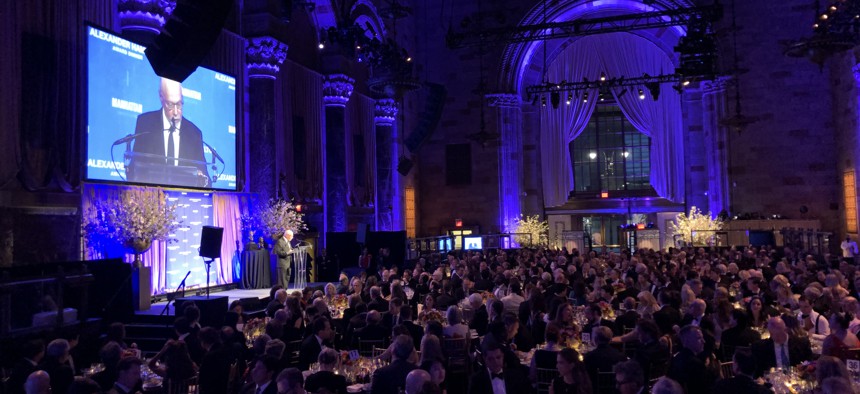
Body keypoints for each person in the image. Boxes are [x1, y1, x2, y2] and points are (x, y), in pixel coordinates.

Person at [129, 78, 209, 187]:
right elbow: (134, 167)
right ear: (161, 97)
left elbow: (206, 178)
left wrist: (201, 178)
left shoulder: (194, 133)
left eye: (179, 104)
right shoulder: (145, 123)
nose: (176, 112)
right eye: (170, 105)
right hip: (151, 198)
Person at [666, 325, 718, 393]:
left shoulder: (674, 359)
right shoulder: (696, 364)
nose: (703, 341)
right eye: (699, 338)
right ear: (687, 341)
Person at [468, 342, 532, 394]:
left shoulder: (515, 376)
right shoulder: (477, 380)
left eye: (498, 357)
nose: (495, 362)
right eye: (490, 359)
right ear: (485, 359)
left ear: (503, 357)